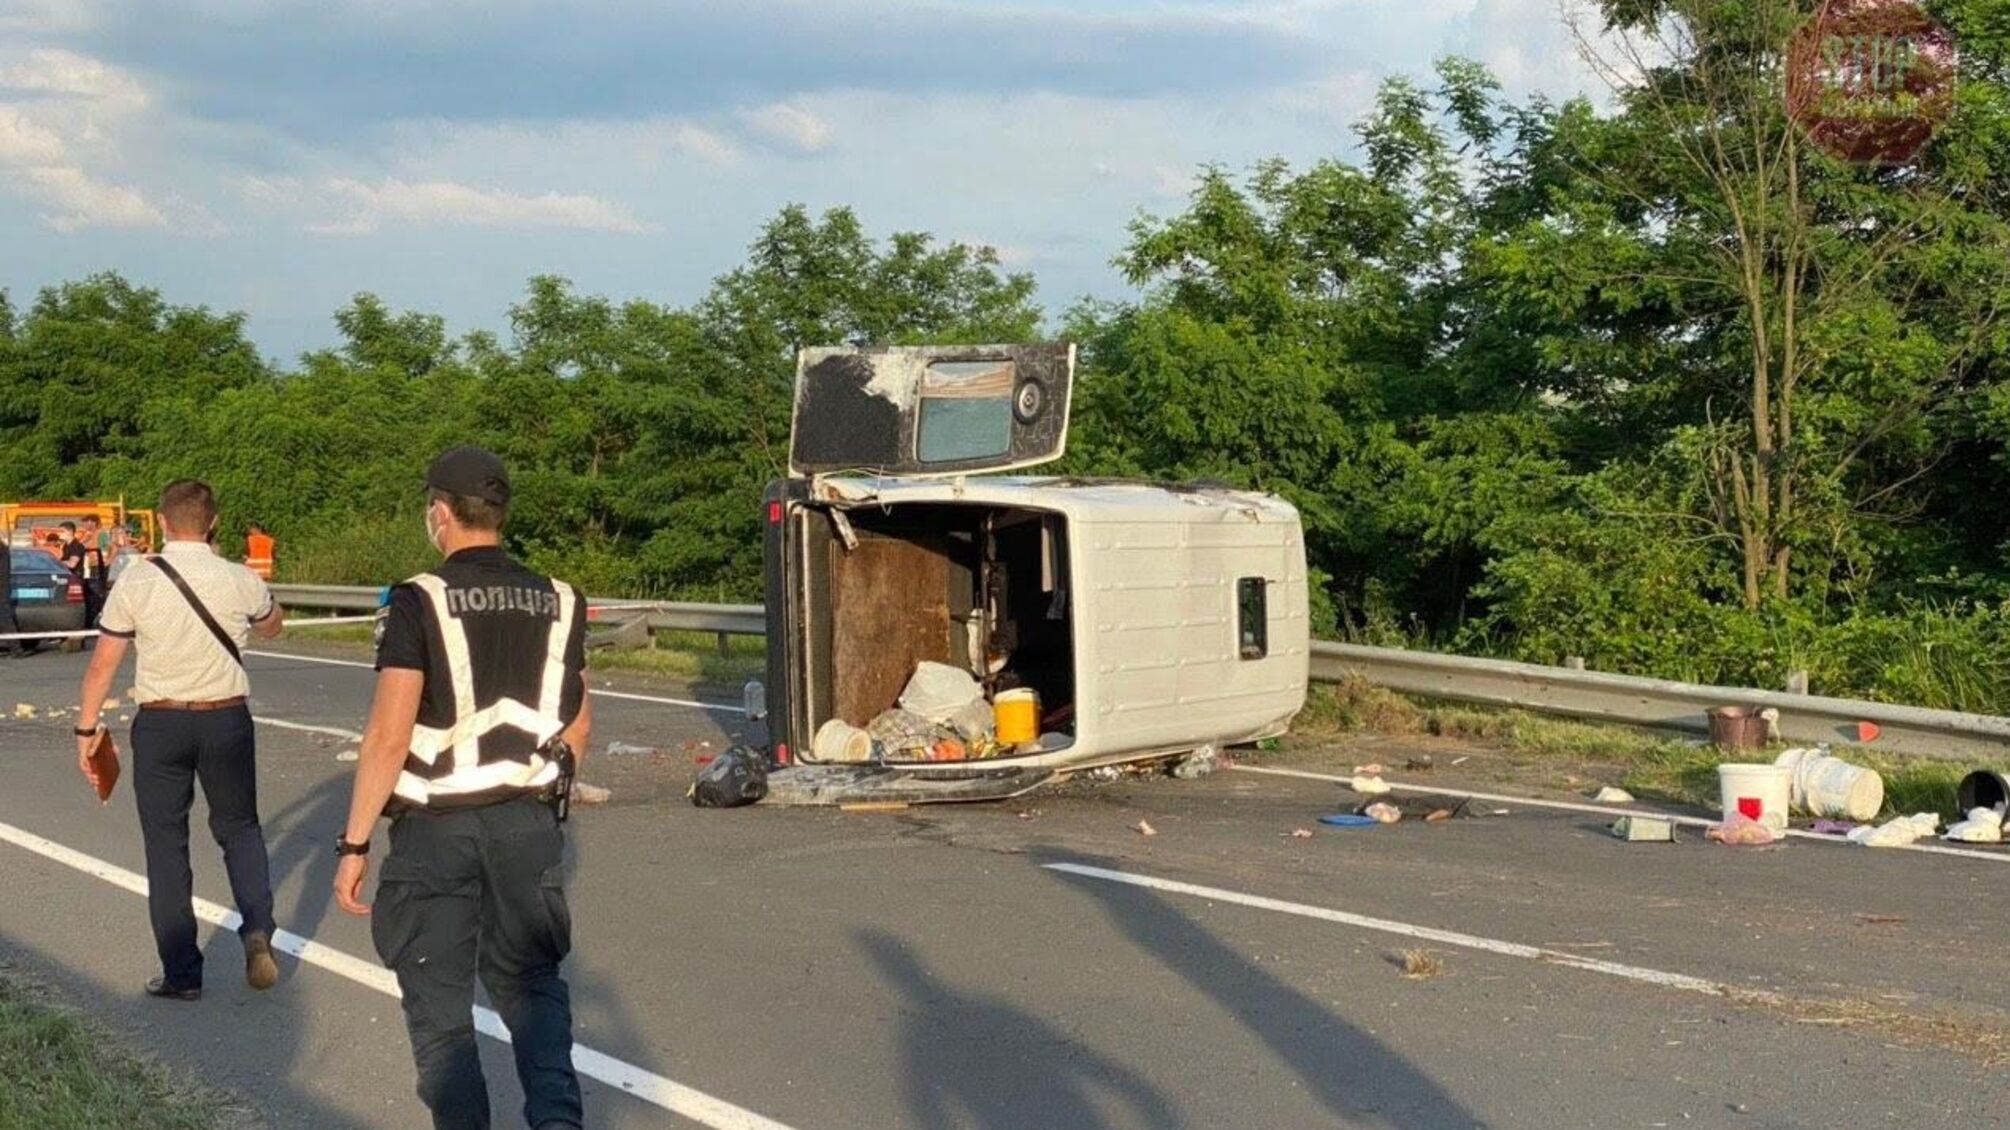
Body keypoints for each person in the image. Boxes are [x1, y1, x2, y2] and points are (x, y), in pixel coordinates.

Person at [334, 446, 592, 1130]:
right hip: (525, 822)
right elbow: (579, 721)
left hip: (436, 831)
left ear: (441, 512)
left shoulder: (418, 600)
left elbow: (389, 735)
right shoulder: (562, 599)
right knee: (534, 989)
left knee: (441, 1013)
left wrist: (354, 844)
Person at [75, 480, 286, 1001]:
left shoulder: (137, 579)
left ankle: (182, 974)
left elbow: (103, 663)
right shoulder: (238, 577)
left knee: (166, 844)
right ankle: (258, 927)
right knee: (240, 827)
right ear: (213, 523)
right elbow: (273, 627)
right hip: (226, 718)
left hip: (162, 723)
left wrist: (86, 727)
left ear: (164, 522)